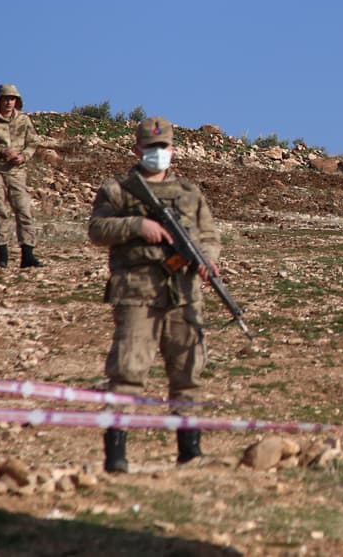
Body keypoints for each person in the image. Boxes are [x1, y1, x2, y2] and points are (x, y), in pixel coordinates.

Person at [88, 116, 220, 472]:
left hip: (184, 294)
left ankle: (189, 451)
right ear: (137, 149)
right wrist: (136, 225)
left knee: (187, 373)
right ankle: (116, 455)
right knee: (128, 372)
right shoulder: (118, 189)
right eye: (150, 147)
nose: (157, 153)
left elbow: (208, 235)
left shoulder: (189, 193)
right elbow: (97, 228)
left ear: (173, 150)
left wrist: (209, 259)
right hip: (137, 295)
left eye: (163, 147)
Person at [0, 84, 43, 269]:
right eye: (5, 98)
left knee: (24, 210)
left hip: (17, 171)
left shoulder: (24, 120)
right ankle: (2, 256)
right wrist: (1, 151)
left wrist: (23, 156)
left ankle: (27, 255)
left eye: (12, 99)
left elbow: (33, 142)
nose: (9, 102)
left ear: (17, 101)